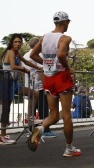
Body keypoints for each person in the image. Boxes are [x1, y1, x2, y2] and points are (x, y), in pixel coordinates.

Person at [28, 12, 81, 156]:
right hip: (62, 77)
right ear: (65, 22)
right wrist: (68, 68)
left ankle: (40, 129)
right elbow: (60, 54)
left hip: (49, 79)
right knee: (66, 116)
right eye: (68, 22)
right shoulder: (65, 38)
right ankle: (69, 148)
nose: (68, 24)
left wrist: (46, 64)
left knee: (53, 116)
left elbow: (33, 54)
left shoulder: (45, 37)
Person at [1, 34, 40, 145]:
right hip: (6, 83)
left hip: (14, 83)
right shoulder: (11, 52)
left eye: (19, 42)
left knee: (35, 94)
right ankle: (2, 136)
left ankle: (30, 118)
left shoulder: (17, 53)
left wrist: (39, 67)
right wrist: (24, 69)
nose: (18, 44)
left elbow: (27, 62)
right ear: (12, 43)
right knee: (6, 109)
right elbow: (13, 67)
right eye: (16, 42)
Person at [23, 37, 57, 138]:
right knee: (44, 108)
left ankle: (31, 129)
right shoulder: (39, 55)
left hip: (29, 85)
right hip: (39, 86)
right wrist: (47, 86)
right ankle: (45, 130)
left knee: (31, 109)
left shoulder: (25, 55)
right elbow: (42, 70)